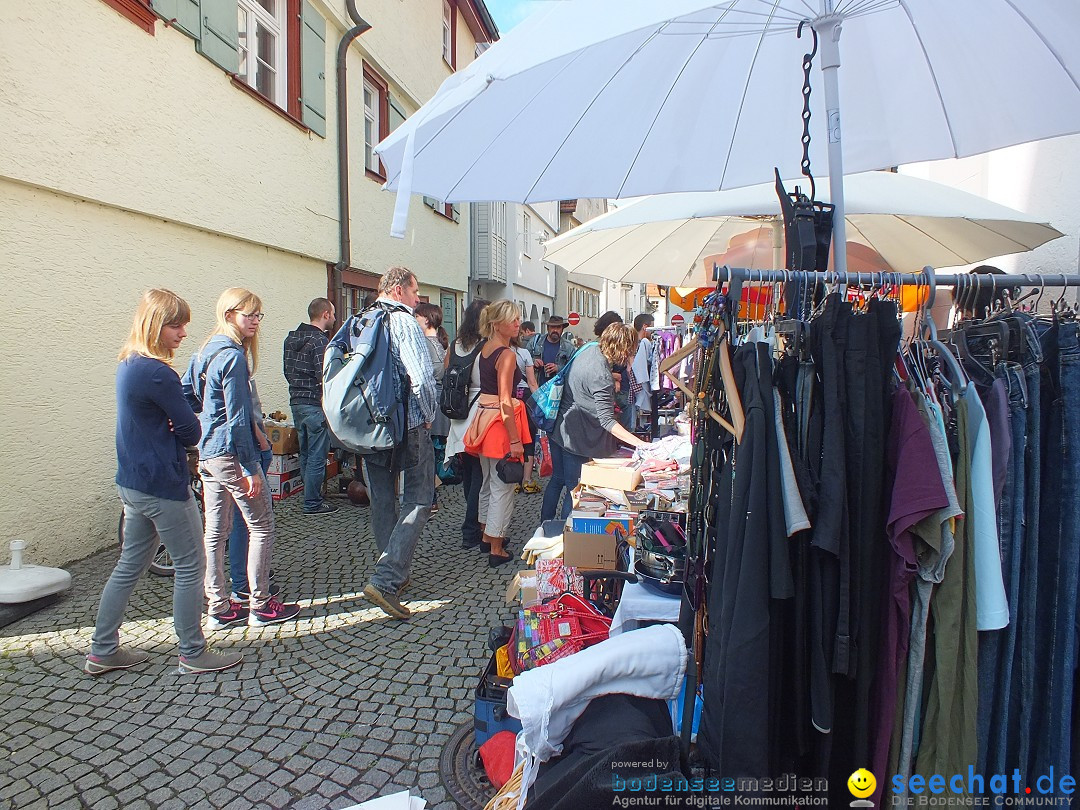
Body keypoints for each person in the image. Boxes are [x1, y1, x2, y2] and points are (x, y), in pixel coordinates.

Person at [87, 289, 243, 675]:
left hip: (133, 483)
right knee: (193, 563)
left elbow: (176, 423)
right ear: (156, 325)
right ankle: (192, 652)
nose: (183, 333)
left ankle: (102, 649)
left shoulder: (129, 363)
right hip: (162, 486)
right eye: (176, 324)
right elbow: (192, 431)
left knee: (129, 564)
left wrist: (178, 422)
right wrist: (184, 423)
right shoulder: (158, 373)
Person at [184, 288, 301, 629]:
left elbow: (188, 395)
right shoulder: (233, 356)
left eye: (258, 315)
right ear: (229, 313)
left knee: (216, 531)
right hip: (232, 454)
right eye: (248, 314)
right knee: (261, 526)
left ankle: (219, 608)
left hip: (208, 454)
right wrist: (250, 468)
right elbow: (237, 418)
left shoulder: (205, 350)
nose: (254, 322)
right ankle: (261, 604)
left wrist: (203, 426)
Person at [361, 267, 438, 620]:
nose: (418, 299)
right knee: (420, 498)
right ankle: (387, 577)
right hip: (406, 423)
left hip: (370, 425)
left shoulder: (361, 318)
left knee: (382, 498)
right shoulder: (404, 322)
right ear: (397, 290)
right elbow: (421, 378)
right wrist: (427, 417)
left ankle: (393, 568)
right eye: (415, 291)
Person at [541, 323, 651, 522]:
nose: (631, 355)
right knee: (576, 491)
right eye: (631, 351)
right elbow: (607, 421)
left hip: (559, 426)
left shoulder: (590, 347)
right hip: (576, 437)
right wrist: (641, 444)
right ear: (623, 349)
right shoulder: (600, 373)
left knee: (557, 480)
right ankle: (566, 541)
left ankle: (545, 526)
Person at [464, 301, 531, 566]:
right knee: (503, 487)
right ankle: (496, 546)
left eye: (517, 319)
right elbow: (505, 400)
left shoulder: (484, 349)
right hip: (500, 425)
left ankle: (485, 535)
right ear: (497, 323)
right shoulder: (507, 354)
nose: (517, 324)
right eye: (513, 320)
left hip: (483, 418)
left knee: (489, 482)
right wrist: (515, 440)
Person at [283, 297, 337, 515]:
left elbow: (287, 371)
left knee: (305, 452)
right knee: (317, 454)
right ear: (325, 314)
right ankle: (312, 502)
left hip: (296, 401)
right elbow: (324, 376)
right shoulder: (320, 342)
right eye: (332, 314)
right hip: (314, 403)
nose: (334, 318)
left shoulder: (290, 339)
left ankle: (309, 494)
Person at [445, 298, 489, 551]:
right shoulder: (484, 347)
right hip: (478, 414)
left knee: (470, 473)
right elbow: (486, 381)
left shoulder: (456, 344)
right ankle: (471, 528)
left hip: (458, 414)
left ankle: (471, 524)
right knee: (480, 475)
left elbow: (444, 371)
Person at [415, 302, 450, 515]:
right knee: (435, 451)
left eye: (416, 317)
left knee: (427, 454)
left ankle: (429, 499)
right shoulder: (440, 343)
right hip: (439, 402)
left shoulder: (425, 345)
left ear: (426, 320)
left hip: (430, 403)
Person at [513, 324, 541, 493]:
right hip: (525, 398)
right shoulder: (524, 354)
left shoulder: (500, 352)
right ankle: (527, 480)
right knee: (528, 438)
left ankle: (513, 480)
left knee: (512, 437)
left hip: (509, 398)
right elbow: (532, 383)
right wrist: (541, 403)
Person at [594, 311, 631, 429]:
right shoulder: (600, 347)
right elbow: (600, 371)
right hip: (605, 391)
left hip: (608, 390)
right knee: (625, 407)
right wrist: (615, 377)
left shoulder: (597, 344)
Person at [527, 315, 575, 386]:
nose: (555, 330)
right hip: (537, 388)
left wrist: (558, 368)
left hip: (559, 389)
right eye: (552, 327)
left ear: (562, 330)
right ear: (548, 328)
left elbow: (574, 369)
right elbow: (523, 361)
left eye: (558, 327)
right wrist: (533, 362)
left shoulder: (568, 347)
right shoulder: (535, 342)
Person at [630, 313, 656, 432]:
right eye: (652, 327)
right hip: (638, 385)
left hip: (632, 386)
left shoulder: (633, 343)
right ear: (645, 327)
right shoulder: (643, 343)